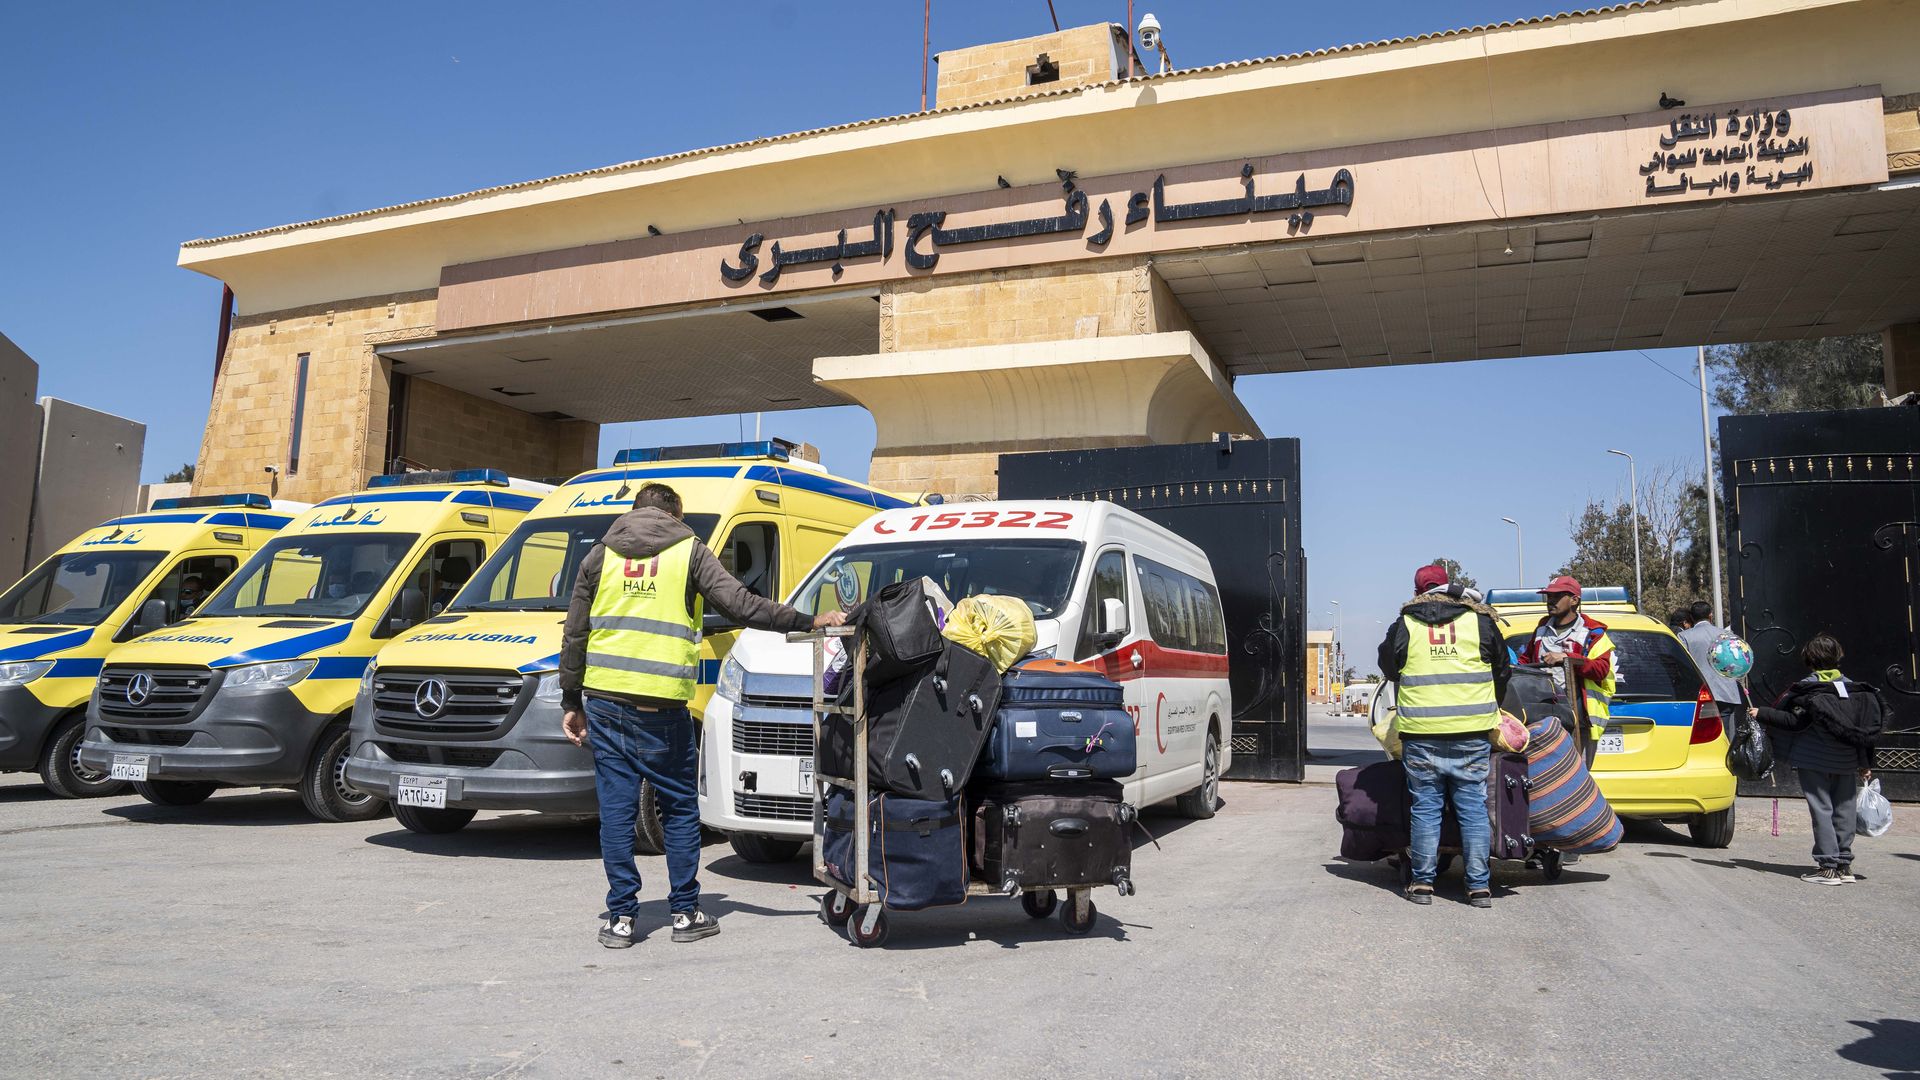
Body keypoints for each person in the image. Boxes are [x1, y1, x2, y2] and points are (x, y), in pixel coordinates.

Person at [559, 483, 846, 948]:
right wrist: (809, 620)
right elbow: (740, 604)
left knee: (615, 812)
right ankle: (685, 912)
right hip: (662, 707)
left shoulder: (599, 556)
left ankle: (621, 919)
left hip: (606, 703)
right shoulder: (688, 551)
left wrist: (571, 701)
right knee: (678, 808)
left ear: (635, 511)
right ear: (675, 513)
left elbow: (575, 633)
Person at [1377, 563, 1510, 908]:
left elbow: (1389, 668)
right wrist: (1489, 707)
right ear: (1449, 588)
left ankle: (1422, 884)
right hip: (1471, 731)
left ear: (1418, 591)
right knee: (1473, 809)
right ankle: (1479, 887)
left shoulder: (1404, 624)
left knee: (1426, 808)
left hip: (1421, 733)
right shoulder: (1480, 621)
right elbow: (1502, 670)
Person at [1749, 634, 1885, 885]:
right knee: (1844, 808)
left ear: (1809, 660)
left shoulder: (1807, 689)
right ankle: (1844, 864)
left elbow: (1794, 721)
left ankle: (1827, 867)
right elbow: (1865, 731)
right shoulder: (1855, 690)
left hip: (1814, 759)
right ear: (1837, 657)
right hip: (1846, 760)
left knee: (1822, 808)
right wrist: (1865, 764)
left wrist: (1762, 713)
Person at [1514, 576, 1616, 751]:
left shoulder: (1592, 633)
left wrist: (1567, 658)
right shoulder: (1541, 628)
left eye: (1557, 596)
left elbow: (1601, 669)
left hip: (1579, 720)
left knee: (1577, 775)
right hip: (1543, 717)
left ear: (1574, 600)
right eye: (1549, 597)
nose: (1550, 601)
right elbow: (1525, 661)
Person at [1678, 601, 1745, 731]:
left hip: (1700, 695)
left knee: (1704, 735)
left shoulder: (1684, 637)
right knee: (1725, 734)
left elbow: (1681, 667)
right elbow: (1738, 662)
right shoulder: (1728, 635)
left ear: (1691, 618)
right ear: (1710, 616)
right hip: (1726, 694)